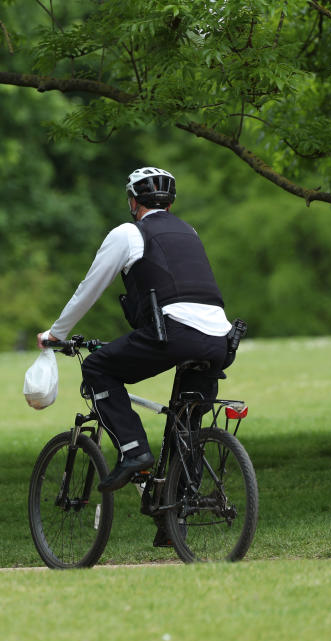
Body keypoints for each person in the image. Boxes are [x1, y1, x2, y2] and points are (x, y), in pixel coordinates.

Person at [37, 167, 233, 499]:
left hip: (175, 332)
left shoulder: (128, 233)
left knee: (98, 368)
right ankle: (178, 508)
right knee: (186, 421)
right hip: (221, 340)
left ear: (133, 201)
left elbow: (89, 289)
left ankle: (133, 450)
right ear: (170, 204)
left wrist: (56, 333)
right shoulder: (190, 232)